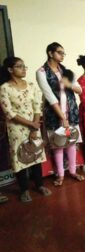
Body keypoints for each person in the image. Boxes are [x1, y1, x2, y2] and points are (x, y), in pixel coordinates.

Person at [0, 57, 51, 202]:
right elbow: (9, 112)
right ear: (10, 70)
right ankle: (24, 189)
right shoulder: (4, 88)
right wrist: (31, 124)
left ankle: (40, 185)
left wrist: (35, 126)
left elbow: (37, 106)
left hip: (34, 127)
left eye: (24, 66)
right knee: (20, 157)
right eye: (19, 66)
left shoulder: (31, 85)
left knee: (36, 155)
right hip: (16, 129)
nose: (23, 69)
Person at [36, 42, 85, 186]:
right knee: (58, 144)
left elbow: (79, 90)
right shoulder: (41, 72)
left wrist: (69, 84)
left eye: (64, 53)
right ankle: (60, 174)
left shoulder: (67, 71)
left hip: (71, 113)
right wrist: (62, 117)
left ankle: (73, 171)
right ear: (50, 53)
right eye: (59, 52)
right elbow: (49, 96)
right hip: (54, 114)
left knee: (71, 142)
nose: (62, 55)